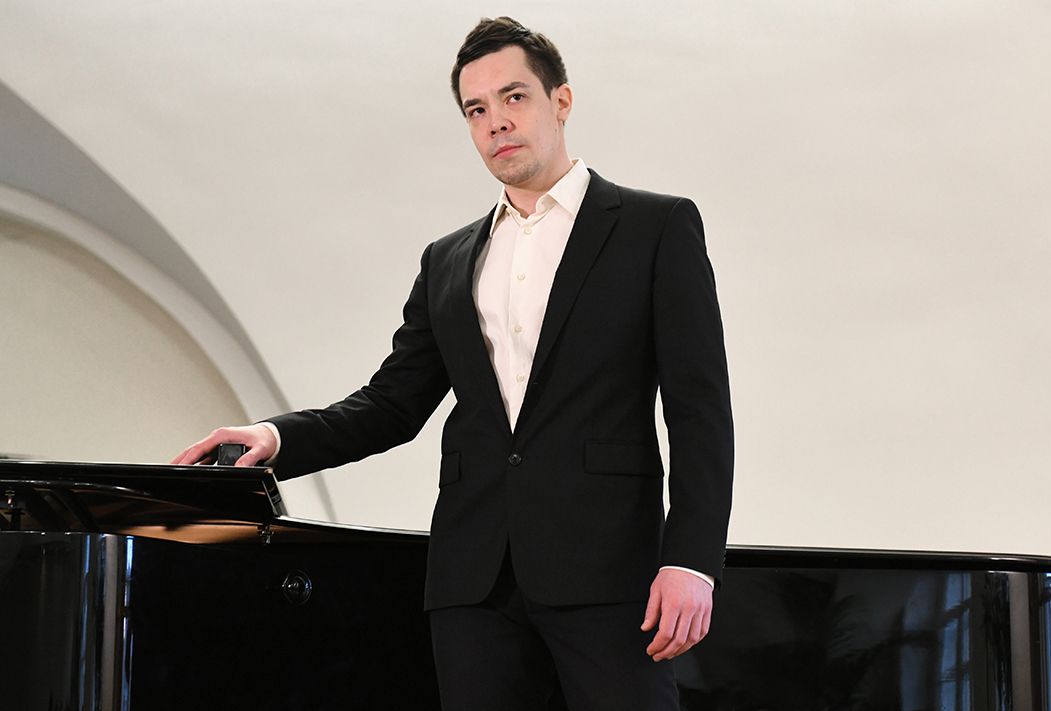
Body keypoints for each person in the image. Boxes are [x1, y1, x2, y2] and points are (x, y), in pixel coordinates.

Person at [173, 16, 733, 711]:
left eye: (514, 97)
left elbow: (700, 410)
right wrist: (276, 437)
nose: (497, 121)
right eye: (476, 109)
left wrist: (691, 561)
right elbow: (391, 404)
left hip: (610, 573)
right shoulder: (447, 260)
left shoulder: (655, 227)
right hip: (473, 583)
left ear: (561, 101)